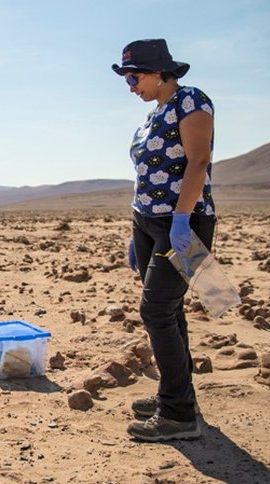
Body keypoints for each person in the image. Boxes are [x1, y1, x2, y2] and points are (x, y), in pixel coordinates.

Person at [112, 39, 216, 441]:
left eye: (134, 77)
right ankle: (179, 398)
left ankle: (177, 416)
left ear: (159, 72)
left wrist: (181, 219)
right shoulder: (152, 115)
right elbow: (146, 176)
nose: (131, 85)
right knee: (171, 312)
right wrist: (136, 229)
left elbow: (199, 160)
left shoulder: (191, 101)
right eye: (127, 78)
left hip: (184, 223)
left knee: (156, 311)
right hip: (148, 224)